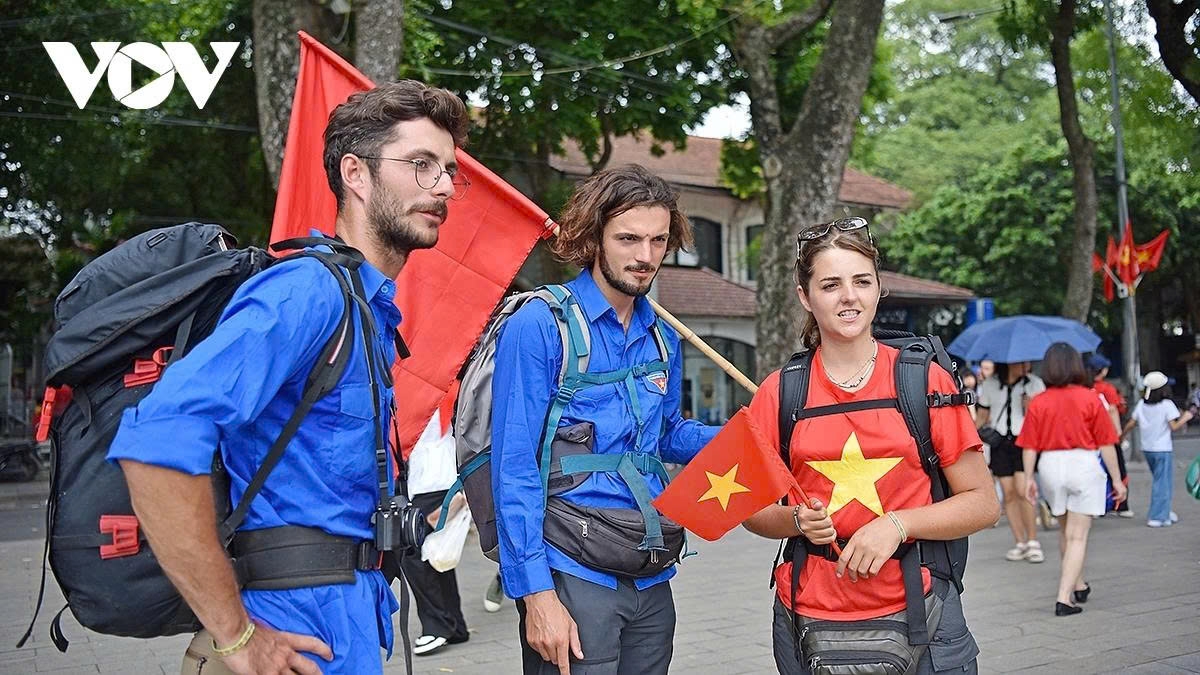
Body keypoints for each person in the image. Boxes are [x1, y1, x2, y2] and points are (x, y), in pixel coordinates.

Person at [108, 80, 470, 674]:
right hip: (294, 628)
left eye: (450, 170)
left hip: (350, 616)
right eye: (421, 165)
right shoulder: (307, 291)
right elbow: (156, 441)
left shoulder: (367, 307)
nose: (445, 187)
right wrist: (234, 636)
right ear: (356, 174)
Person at [741, 217, 998, 674]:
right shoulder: (780, 393)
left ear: (879, 289)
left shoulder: (924, 381)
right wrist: (796, 520)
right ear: (805, 296)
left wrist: (897, 524)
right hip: (811, 618)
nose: (849, 297)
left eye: (862, 281)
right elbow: (751, 512)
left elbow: (982, 504)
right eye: (830, 284)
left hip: (923, 617)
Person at [491, 164, 720, 675]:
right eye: (628, 238)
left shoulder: (661, 334)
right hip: (573, 572)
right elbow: (514, 466)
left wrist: (752, 433)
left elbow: (666, 436)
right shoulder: (540, 325)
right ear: (594, 237)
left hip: (650, 569)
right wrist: (536, 597)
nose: (645, 257)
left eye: (658, 240)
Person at [1017, 343, 1126, 616]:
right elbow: (1106, 443)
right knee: (1078, 536)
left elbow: (1029, 445)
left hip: (1050, 465)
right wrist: (1117, 480)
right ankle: (1064, 598)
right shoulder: (1090, 398)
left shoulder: (1039, 401)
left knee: (1066, 531)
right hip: (1083, 463)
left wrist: (1029, 478)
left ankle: (1078, 584)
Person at [393, 411, 471, 656]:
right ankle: (454, 625)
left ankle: (438, 626)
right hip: (430, 476)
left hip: (434, 477)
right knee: (435, 550)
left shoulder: (433, 385)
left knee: (411, 552)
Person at [974, 361, 1046, 563]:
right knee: (1009, 493)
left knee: (1024, 490)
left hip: (1024, 441)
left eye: (1026, 362)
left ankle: (1033, 541)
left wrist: (1031, 407)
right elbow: (982, 415)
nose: (1025, 365)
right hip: (999, 442)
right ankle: (1019, 542)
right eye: (1020, 362)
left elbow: (1043, 415)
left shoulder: (1034, 384)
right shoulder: (990, 384)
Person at [1123, 371, 1194, 527]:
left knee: (1161, 480)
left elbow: (1131, 423)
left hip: (1147, 448)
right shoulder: (1167, 405)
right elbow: (1174, 426)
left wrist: (1123, 436)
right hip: (1162, 449)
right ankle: (1158, 516)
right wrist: (1186, 417)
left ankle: (1166, 511)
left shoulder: (1142, 404)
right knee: (1162, 483)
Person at [1085, 353, 1131, 517]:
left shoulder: (1084, 388)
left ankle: (1097, 506)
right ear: (1103, 371)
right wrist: (1118, 432)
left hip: (1089, 437)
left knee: (1095, 471)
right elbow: (1112, 410)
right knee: (1118, 469)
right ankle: (1121, 506)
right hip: (1107, 435)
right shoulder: (1107, 389)